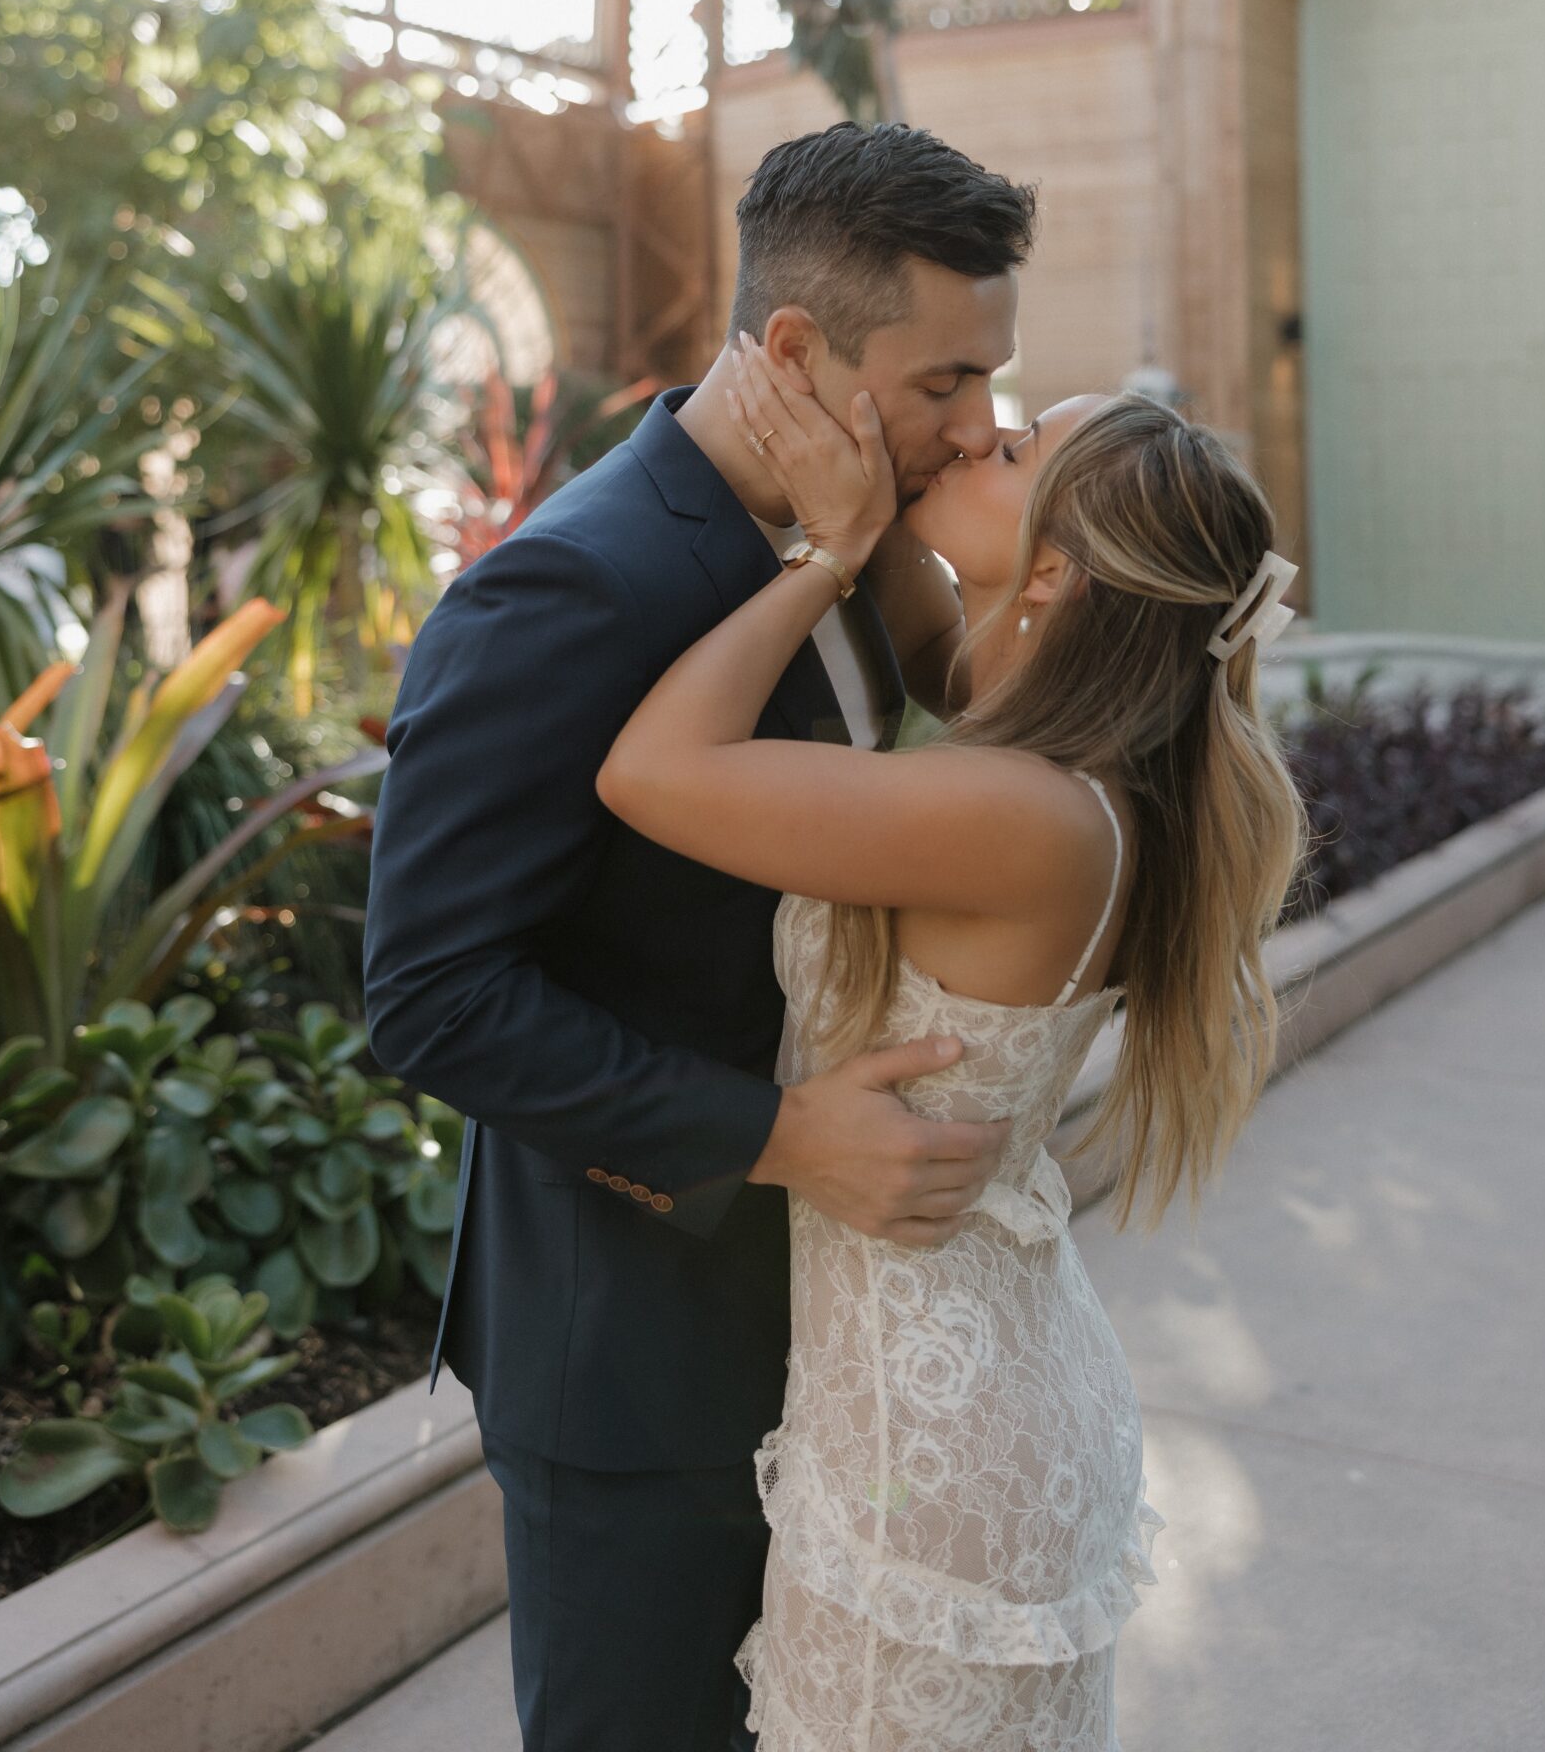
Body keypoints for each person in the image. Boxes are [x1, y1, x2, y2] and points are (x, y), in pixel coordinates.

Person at [362, 121, 1038, 1751]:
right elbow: (433, 998)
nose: (980, 425)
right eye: (946, 381)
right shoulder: (564, 592)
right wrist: (783, 1138)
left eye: (994, 381)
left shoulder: (857, 540)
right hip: (639, 1362)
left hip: (843, 1339)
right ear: (798, 349)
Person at [598, 339, 1308, 1750]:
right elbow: (943, 640)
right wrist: (886, 502)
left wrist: (823, 549)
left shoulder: (1017, 812)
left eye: (1016, 446)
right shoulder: (1077, 775)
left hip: (928, 1456)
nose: (976, 435)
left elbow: (649, 773)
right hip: (974, 1403)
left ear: (1054, 582)